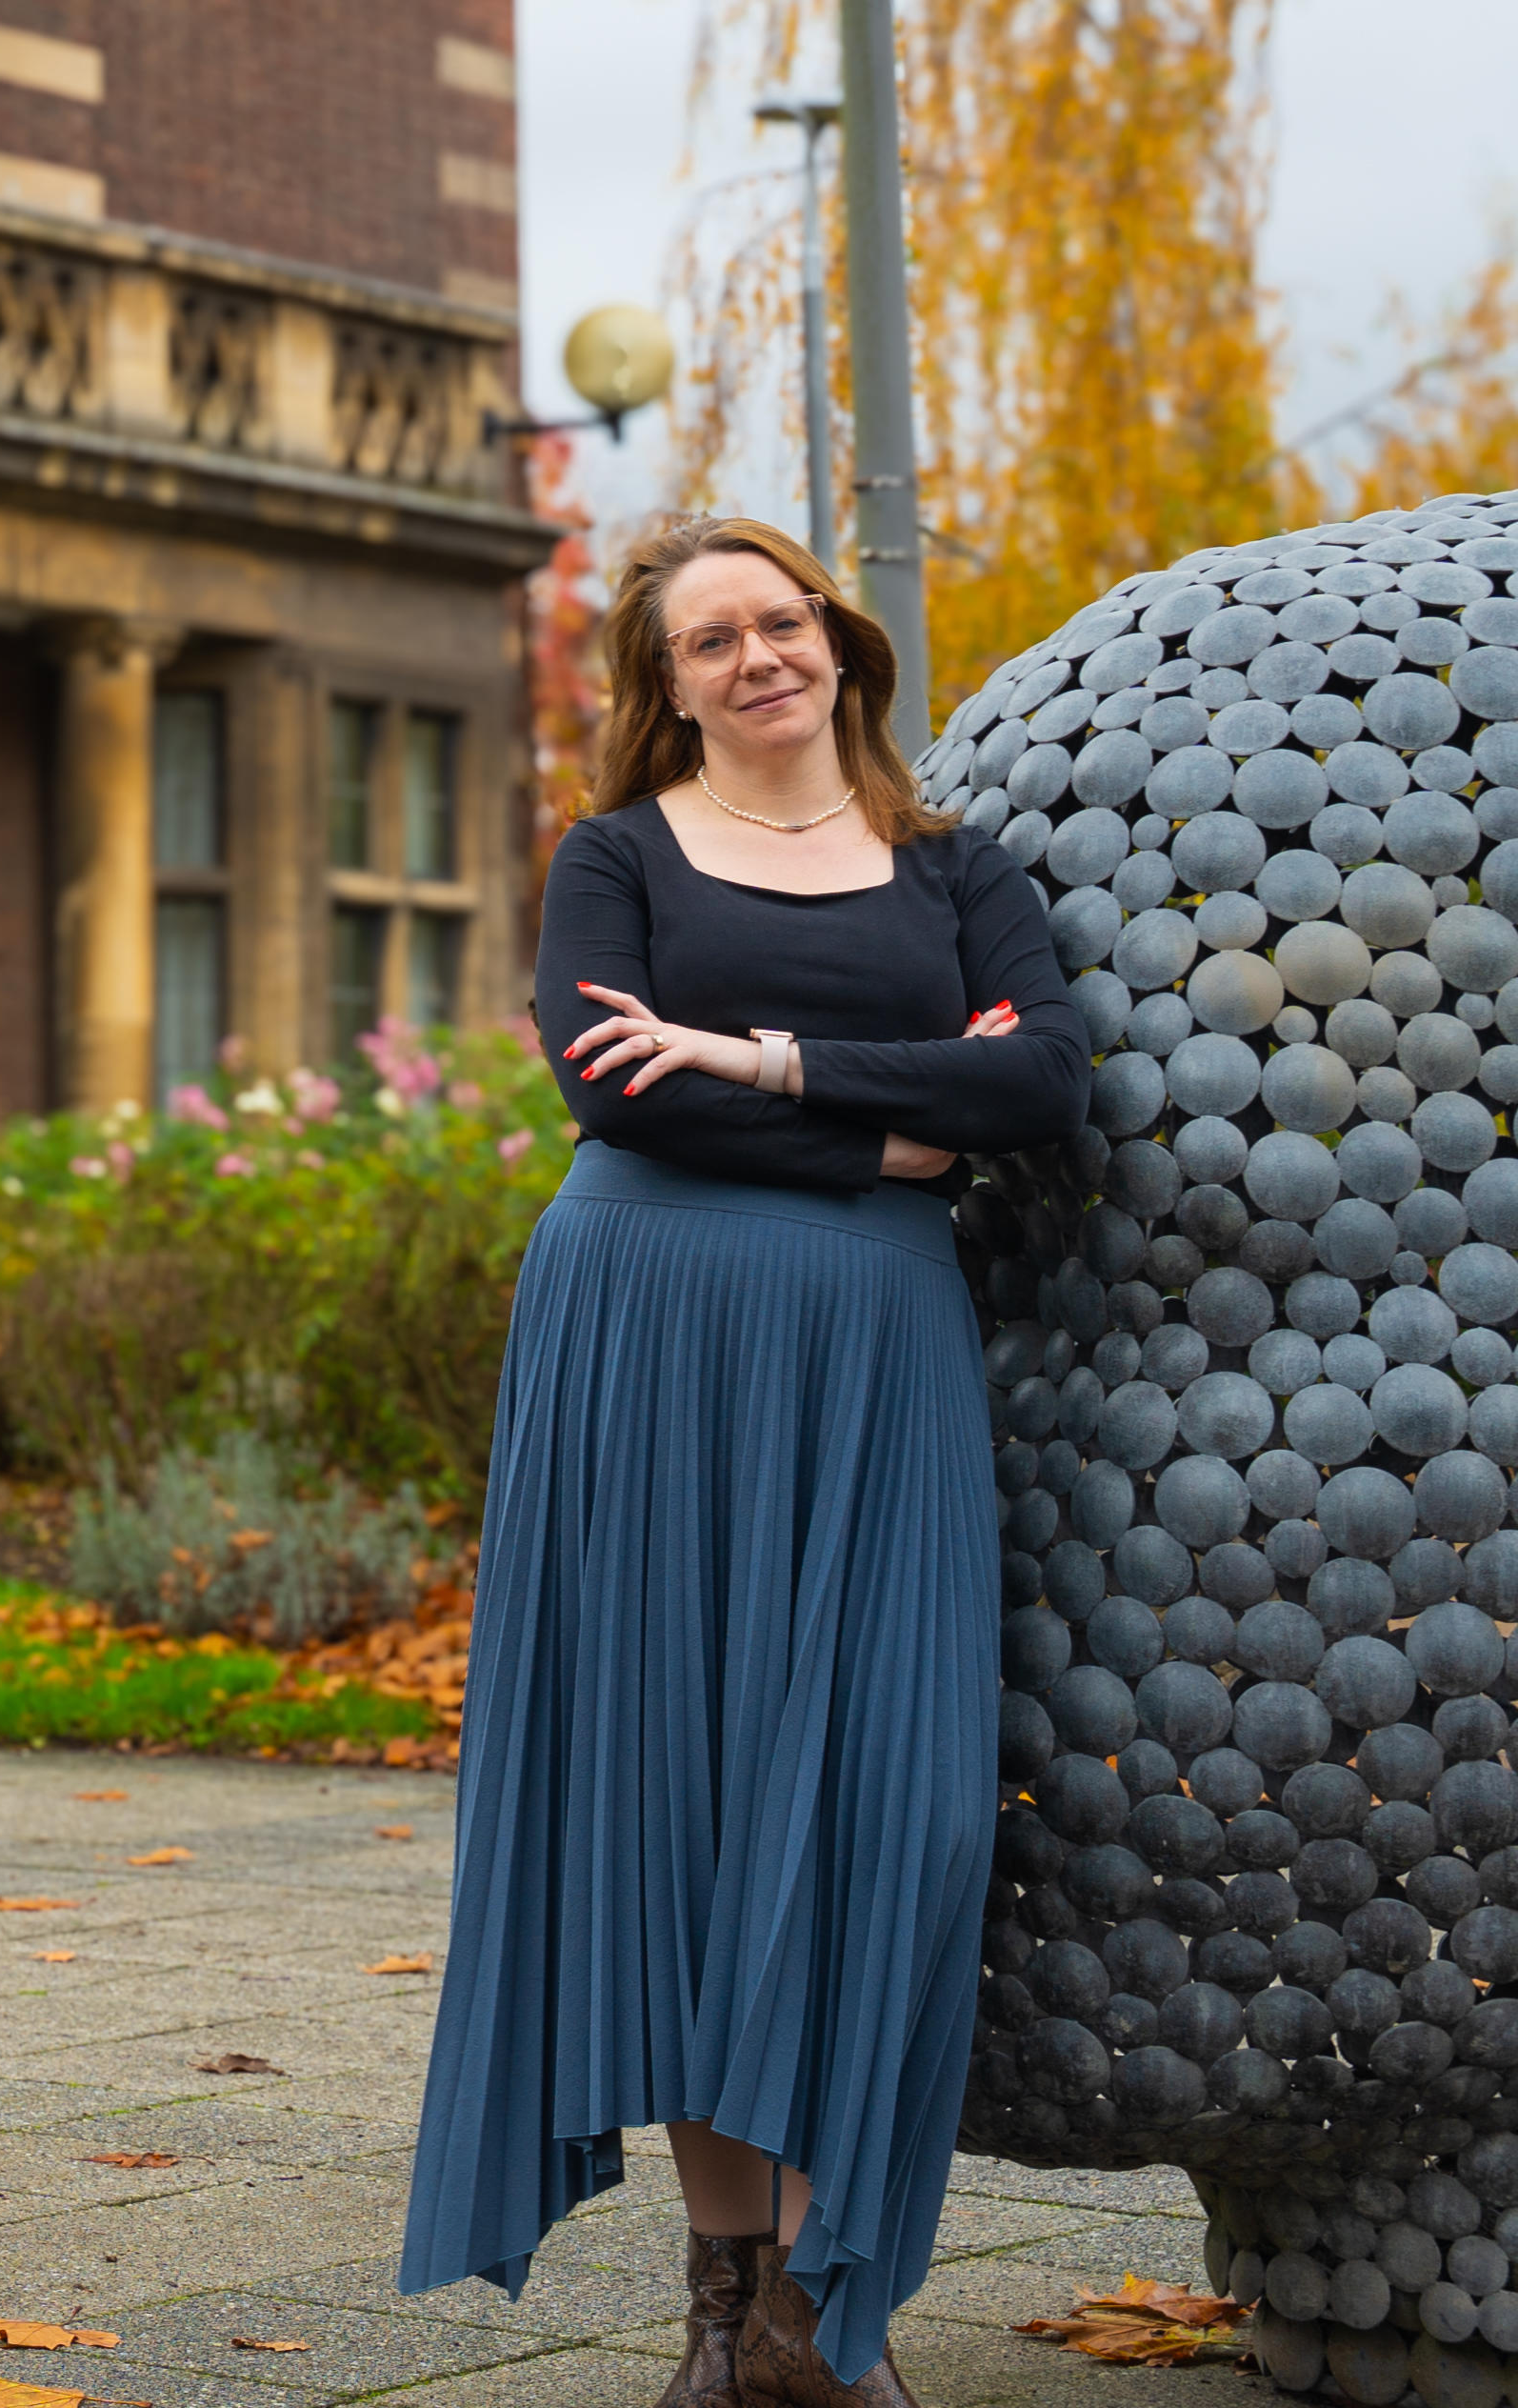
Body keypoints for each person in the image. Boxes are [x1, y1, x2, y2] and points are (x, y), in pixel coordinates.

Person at [397, 518, 1087, 2408]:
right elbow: (609, 1081)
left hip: (871, 1349)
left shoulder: (953, 868)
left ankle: (814, 2277)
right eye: (710, 639)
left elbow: (1042, 1083)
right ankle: (753, 2315)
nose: (754, 656)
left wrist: (768, 1065)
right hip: (645, 1328)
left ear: (835, 640)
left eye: (776, 619)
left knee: (897, 1809)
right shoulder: (614, 856)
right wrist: (884, 1128)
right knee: (675, 1806)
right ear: (669, 683)